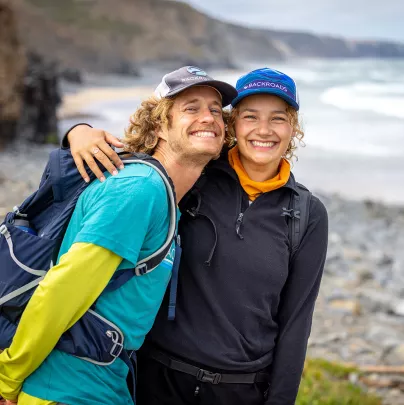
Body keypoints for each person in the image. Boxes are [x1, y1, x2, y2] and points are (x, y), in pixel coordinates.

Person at [65, 67, 329, 405]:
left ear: (293, 128)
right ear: (234, 124)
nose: (264, 130)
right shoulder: (195, 175)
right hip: (156, 380)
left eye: (278, 119)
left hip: (241, 391)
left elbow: (296, 322)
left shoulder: (306, 213)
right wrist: (79, 131)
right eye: (250, 117)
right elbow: (138, 163)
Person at [0, 66, 236, 405]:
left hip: (99, 386)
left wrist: (77, 130)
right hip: (66, 389)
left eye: (216, 109)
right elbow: (63, 288)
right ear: (158, 127)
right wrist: (7, 377)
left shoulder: (164, 197)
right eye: (191, 108)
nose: (209, 117)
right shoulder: (142, 189)